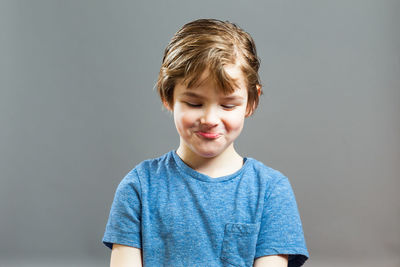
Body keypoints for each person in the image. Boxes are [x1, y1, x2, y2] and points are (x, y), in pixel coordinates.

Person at [102, 18, 309, 267]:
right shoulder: (139, 188)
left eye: (228, 105)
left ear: (251, 102)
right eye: (194, 103)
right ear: (167, 97)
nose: (210, 119)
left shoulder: (270, 191)